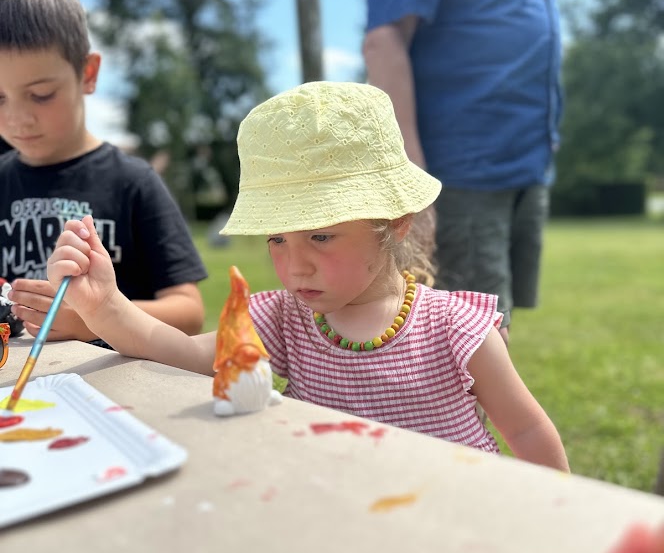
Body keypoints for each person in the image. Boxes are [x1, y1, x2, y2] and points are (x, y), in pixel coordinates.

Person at [47, 81, 568, 471]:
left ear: (395, 220)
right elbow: (181, 352)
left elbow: (526, 431)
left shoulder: (455, 328)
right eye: (277, 239)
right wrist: (105, 306)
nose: (295, 266)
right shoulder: (283, 317)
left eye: (320, 235)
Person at [362, 0, 562, 342]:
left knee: (491, 337)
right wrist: (411, 181)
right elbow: (384, 39)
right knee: (469, 348)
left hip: (521, 166)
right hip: (459, 171)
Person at [0, 0, 207, 343]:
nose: (18, 119)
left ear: (88, 74)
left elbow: (190, 313)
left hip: (116, 377)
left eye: (41, 94)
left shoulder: (133, 182)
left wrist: (96, 319)